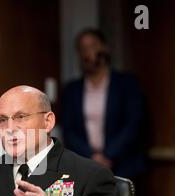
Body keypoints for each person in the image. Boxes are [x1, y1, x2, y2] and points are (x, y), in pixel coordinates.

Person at [61, 28, 147, 180]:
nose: (89, 53)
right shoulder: (72, 90)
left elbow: (134, 124)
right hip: (85, 166)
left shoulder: (126, 83)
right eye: (83, 49)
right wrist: (92, 157)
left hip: (124, 165)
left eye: (93, 46)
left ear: (104, 47)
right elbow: (69, 129)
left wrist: (107, 156)